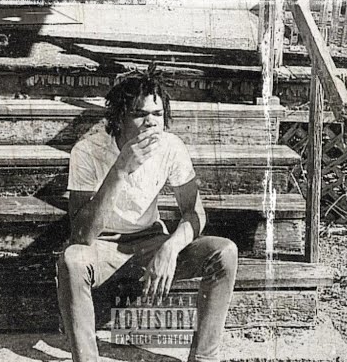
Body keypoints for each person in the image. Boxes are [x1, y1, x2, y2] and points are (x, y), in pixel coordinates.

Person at [56, 73, 238, 362]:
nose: (151, 122)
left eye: (158, 114)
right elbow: (81, 235)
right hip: (103, 247)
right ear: (119, 118)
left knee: (225, 252)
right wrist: (120, 169)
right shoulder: (88, 150)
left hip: (151, 241)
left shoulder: (170, 146)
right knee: (71, 259)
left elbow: (194, 212)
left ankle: (204, 358)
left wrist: (171, 248)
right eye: (140, 114)